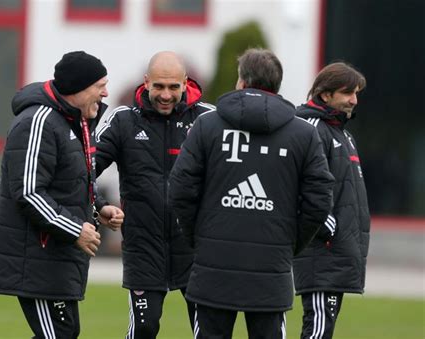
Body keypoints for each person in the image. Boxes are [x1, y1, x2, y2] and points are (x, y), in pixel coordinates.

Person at [168, 48, 335, 338]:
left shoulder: (207, 125)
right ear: (277, 85)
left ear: (242, 82)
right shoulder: (304, 134)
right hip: (272, 269)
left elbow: (180, 189)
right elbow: (319, 201)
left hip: (213, 266)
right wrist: (290, 243)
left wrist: (199, 236)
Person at [0, 51, 124, 338]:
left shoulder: (74, 120)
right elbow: (29, 193)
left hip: (54, 257)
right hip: (35, 257)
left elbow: (72, 182)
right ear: (79, 88)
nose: (106, 93)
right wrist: (75, 230)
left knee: (63, 332)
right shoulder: (39, 121)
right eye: (100, 86)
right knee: (59, 333)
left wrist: (98, 208)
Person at [96, 51, 215, 338]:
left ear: (185, 84)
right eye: (159, 86)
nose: (165, 94)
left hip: (197, 250)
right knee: (144, 328)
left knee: (209, 332)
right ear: (146, 82)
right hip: (143, 248)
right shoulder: (124, 120)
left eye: (173, 87)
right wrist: (98, 206)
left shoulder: (209, 120)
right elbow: (83, 169)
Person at [293, 62, 370, 339]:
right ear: (325, 95)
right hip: (321, 251)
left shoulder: (343, 133)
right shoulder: (311, 128)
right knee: (317, 329)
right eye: (348, 92)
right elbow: (297, 185)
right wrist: (326, 228)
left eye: (356, 93)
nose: (354, 100)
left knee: (323, 329)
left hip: (336, 253)